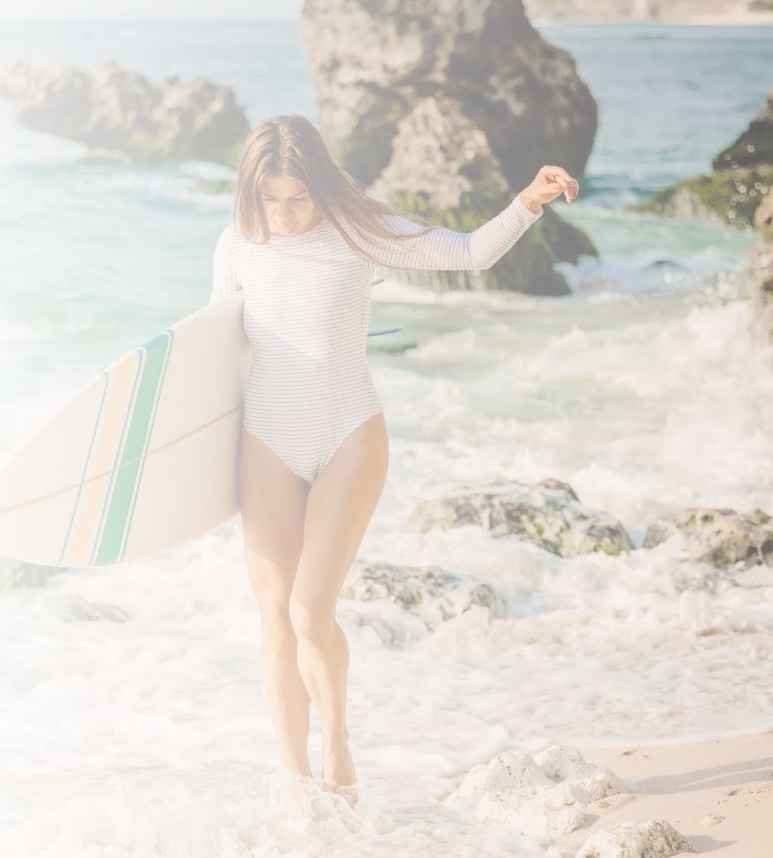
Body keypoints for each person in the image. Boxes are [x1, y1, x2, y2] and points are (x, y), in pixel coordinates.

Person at [208, 114, 580, 810]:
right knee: (274, 618)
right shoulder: (236, 244)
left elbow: (468, 253)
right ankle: (296, 785)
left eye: (297, 198)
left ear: (320, 186)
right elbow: (213, 355)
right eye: (269, 199)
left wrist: (528, 202)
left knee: (309, 611)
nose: (283, 214)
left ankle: (337, 746)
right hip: (266, 444)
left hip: (348, 435)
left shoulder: (358, 230)